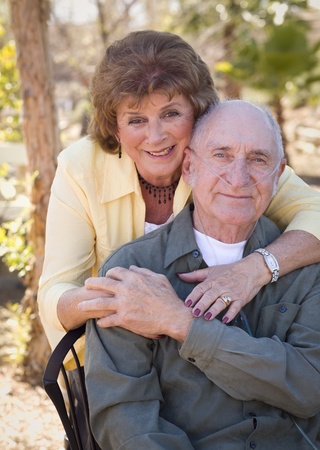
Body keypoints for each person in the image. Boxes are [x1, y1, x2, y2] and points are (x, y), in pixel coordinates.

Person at [38, 30, 320, 362]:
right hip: (122, 359)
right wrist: (122, 300)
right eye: (136, 120)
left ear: (198, 111)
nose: (155, 137)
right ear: (115, 127)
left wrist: (254, 269)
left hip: (218, 354)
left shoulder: (227, 159)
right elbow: (56, 292)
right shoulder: (81, 166)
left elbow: (314, 216)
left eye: (171, 114)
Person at [85, 100, 320, 450]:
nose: (239, 178)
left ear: (279, 173)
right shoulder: (134, 269)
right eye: (222, 155)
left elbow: (309, 388)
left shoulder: (304, 264)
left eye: (258, 159)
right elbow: (124, 416)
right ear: (191, 166)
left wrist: (186, 326)